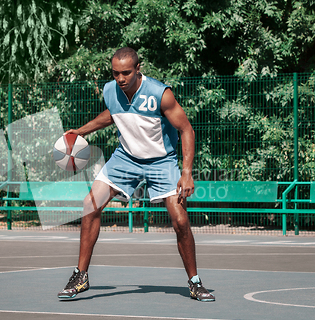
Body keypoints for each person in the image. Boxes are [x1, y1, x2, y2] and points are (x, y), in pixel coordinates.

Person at [57, 47, 215, 302]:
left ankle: (195, 282)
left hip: (161, 161)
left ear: (138, 69)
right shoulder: (111, 90)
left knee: (180, 221)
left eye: (126, 73)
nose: (120, 79)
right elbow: (113, 114)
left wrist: (186, 173)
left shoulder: (160, 94)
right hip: (126, 158)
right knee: (90, 204)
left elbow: (186, 130)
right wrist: (82, 131)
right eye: (116, 73)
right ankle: (80, 275)